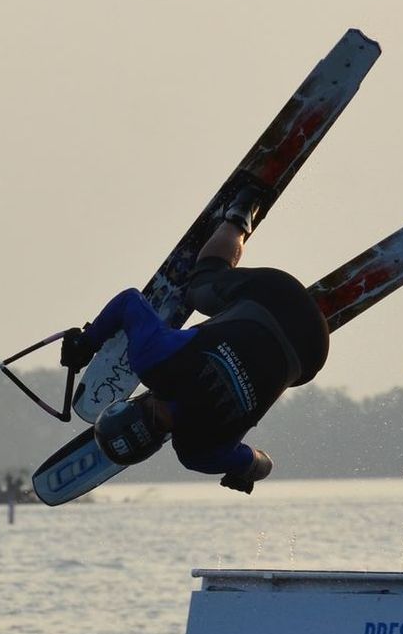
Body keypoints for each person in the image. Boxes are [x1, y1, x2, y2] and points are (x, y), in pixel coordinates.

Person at [60, 187, 329, 493]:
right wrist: (88, 342)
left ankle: (284, 343)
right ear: (131, 404)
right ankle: (241, 212)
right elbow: (129, 301)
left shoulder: (199, 453)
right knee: (201, 288)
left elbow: (264, 465)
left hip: (312, 348)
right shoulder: (153, 360)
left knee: (285, 375)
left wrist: (244, 471)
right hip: (277, 293)